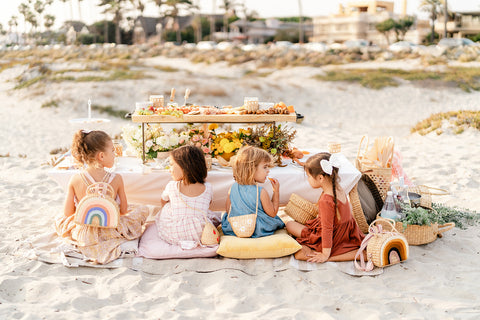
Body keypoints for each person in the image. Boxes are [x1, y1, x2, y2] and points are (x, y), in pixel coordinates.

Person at [55, 130, 149, 264]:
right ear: (101, 156)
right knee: (143, 209)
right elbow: (123, 210)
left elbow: (68, 213)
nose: (115, 155)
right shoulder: (116, 178)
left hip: (85, 232)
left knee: (59, 218)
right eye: (112, 151)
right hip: (110, 228)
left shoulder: (75, 179)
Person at [286, 152, 365, 263]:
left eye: (309, 176)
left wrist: (325, 254)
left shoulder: (326, 200)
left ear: (320, 178)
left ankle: (325, 249)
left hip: (331, 237)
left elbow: (327, 229)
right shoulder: (338, 188)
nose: (308, 180)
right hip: (345, 232)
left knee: (290, 225)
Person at [156, 145, 218, 248]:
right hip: (201, 233)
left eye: (172, 165)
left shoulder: (172, 186)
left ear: (185, 167)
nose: (169, 170)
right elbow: (208, 204)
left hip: (175, 233)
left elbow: (163, 201)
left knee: (167, 205)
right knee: (205, 213)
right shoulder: (208, 187)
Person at [221, 146, 285, 238]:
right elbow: (273, 213)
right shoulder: (261, 192)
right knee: (276, 220)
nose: (268, 171)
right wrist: (276, 191)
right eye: (265, 167)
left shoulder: (233, 188)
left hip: (234, 228)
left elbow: (228, 210)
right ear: (251, 169)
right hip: (257, 229)